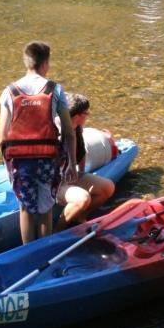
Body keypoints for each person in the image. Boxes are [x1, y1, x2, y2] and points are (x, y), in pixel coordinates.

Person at [0, 41, 77, 244]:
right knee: (45, 209)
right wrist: (71, 163)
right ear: (45, 63)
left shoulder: (9, 91)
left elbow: (2, 137)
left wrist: (8, 166)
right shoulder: (55, 89)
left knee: (25, 208)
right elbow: (69, 132)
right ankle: (44, 250)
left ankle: (28, 253)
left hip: (20, 161)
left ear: (26, 62)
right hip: (47, 159)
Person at [54, 94, 116, 230]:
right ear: (77, 115)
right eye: (86, 113)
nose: (88, 115)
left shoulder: (76, 128)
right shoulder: (55, 131)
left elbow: (81, 153)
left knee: (108, 187)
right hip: (53, 183)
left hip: (68, 175)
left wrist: (81, 174)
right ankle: (57, 230)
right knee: (83, 198)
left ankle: (79, 216)